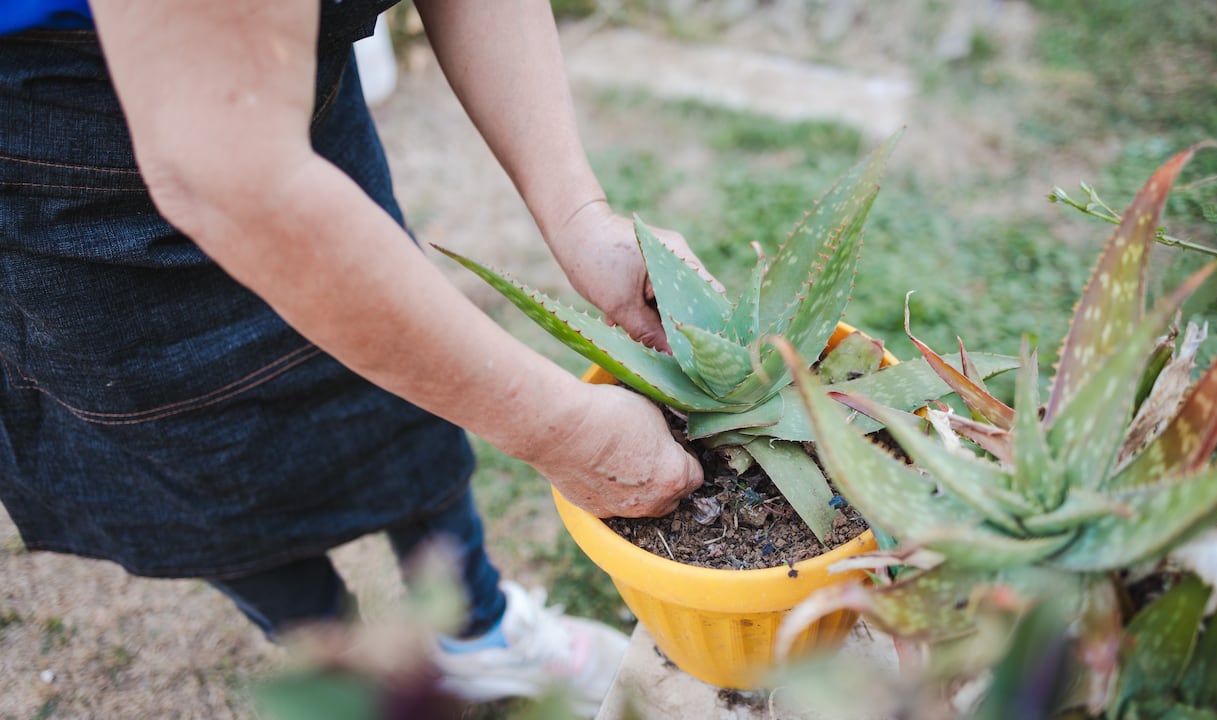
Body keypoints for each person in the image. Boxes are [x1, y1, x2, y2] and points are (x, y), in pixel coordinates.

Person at [0, 0, 707, 713]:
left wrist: (580, 216)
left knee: (410, 394)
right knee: (204, 471)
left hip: (293, 94)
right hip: (63, 143)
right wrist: (557, 432)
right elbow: (230, 183)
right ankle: (346, 671)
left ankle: (481, 631)